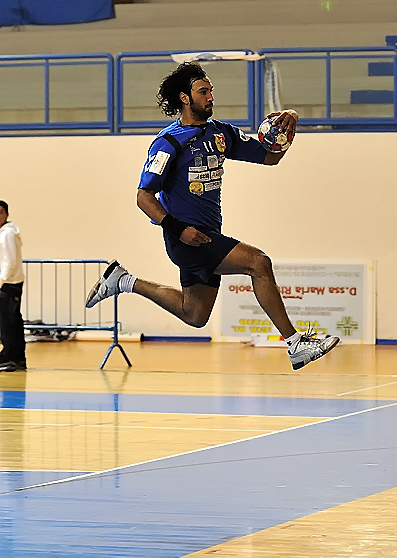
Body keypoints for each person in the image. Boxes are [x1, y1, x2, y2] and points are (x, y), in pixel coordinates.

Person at [85, 62, 338, 370]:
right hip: (186, 238)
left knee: (195, 315)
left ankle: (124, 281)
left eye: (211, 91)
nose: (210, 98)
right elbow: (144, 197)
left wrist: (291, 124)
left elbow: (271, 157)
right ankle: (295, 345)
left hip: (207, 235)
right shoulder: (169, 142)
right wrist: (178, 229)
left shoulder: (221, 134)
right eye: (203, 92)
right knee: (259, 263)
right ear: (184, 98)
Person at [0, 200, 26, 372]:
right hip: (9, 283)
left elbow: (9, 261)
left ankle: (10, 357)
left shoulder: (7, 234)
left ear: (6, 214)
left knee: (8, 323)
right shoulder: (5, 232)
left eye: (0, 212)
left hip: (8, 284)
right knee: (12, 322)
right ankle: (16, 357)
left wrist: (1, 282)